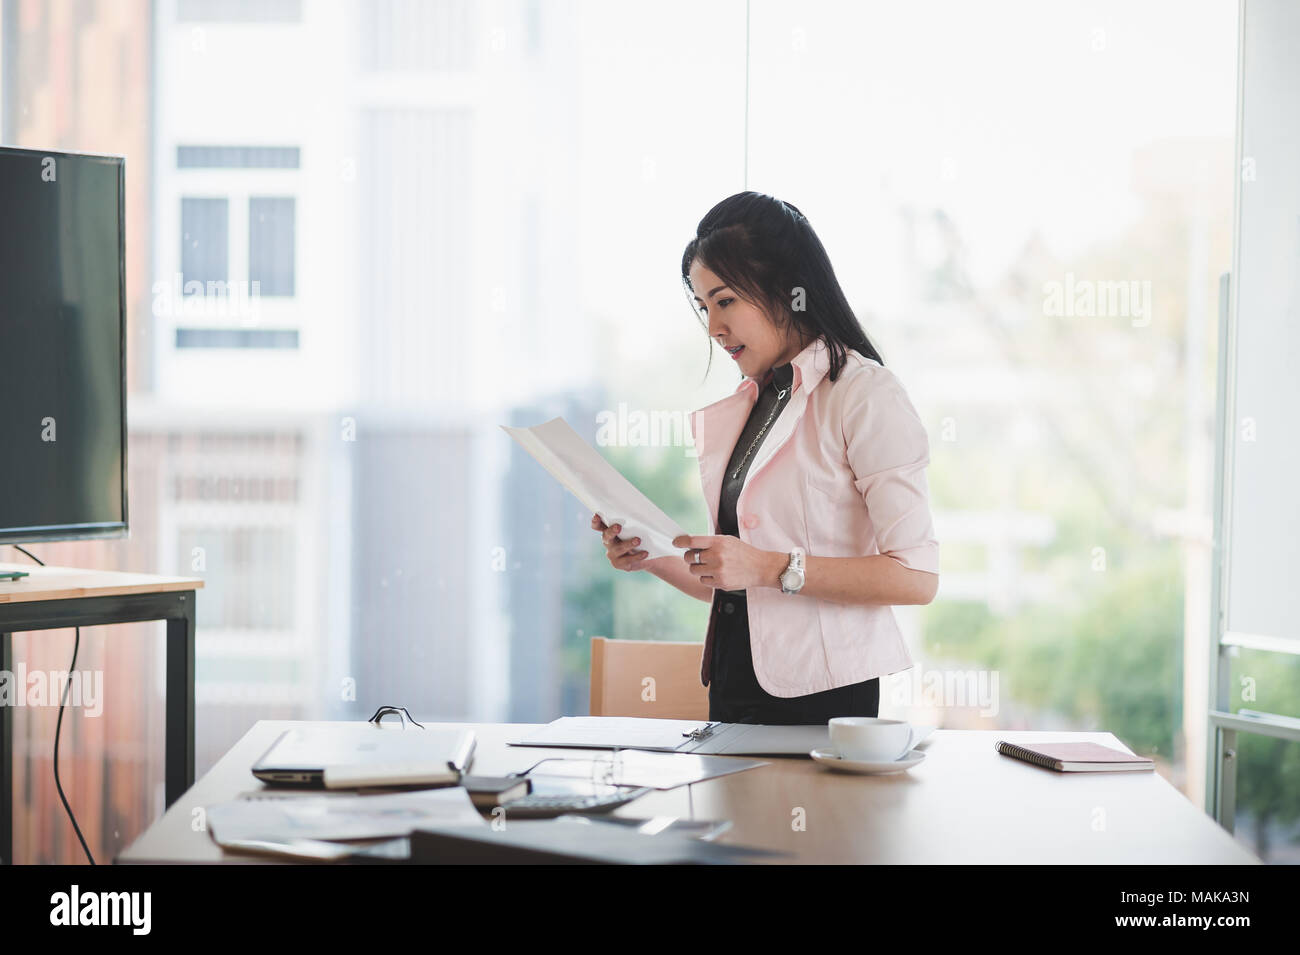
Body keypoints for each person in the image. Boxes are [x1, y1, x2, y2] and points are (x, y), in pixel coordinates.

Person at [593, 191, 939, 724]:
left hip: (822, 703)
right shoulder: (760, 401)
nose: (713, 327)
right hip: (732, 690)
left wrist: (768, 565)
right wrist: (651, 554)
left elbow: (915, 576)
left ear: (787, 287)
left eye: (725, 300)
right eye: (704, 306)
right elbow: (742, 587)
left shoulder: (864, 394)